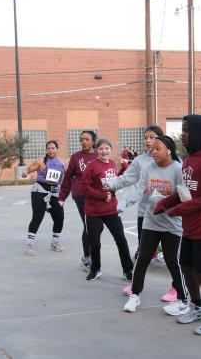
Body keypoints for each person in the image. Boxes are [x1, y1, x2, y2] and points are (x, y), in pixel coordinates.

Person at [154, 114, 201, 335]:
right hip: (191, 227)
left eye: (186, 130)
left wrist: (182, 209)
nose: (182, 134)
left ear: (198, 133)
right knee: (186, 266)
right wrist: (166, 203)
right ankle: (197, 308)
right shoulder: (188, 160)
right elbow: (185, 193)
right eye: (182, 130)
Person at [119, 135, 187, 313]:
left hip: (172, 223)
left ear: (169, 150)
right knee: (143, 258)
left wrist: (167, 204)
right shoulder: (148, 169)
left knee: (173, 260)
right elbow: (139, 190)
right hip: (151, 221)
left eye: (158, 148)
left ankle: (182, 298)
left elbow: (184, 197)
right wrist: (124, 203)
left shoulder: (178, 170)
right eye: (152, 149)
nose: (153, 151)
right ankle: (135, 295)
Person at [81, 137, 134, 282]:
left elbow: (116, 182)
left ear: (111, 150)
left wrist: (123, 169)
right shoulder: (92, 166)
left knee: (121, 240)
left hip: (111, 209)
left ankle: (127, 270)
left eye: (106, 148)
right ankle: (95, 269)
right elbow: (84, 186)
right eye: (101, 148)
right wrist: (101, 196)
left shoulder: (112, 164)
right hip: (94, 211)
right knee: (95, 243)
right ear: (97, 151)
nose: (104, 151)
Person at [59, 130, 98, 271]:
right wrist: (62, 197)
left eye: (87, 139)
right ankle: (87, 258)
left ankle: (92, 256)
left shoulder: (98, 155)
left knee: (95, 226)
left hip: (96, 195)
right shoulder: (76, 157)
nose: (84, 142)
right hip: (81, 195)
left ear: (93, 141)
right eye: (82, 139)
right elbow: (68, 177)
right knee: (88, 225)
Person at [21, 140, 65, 255]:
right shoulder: (41, 161)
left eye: (53, 148)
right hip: (40, 191)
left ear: (57, 149)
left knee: (59, 217)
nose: (51, 150)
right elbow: (28, 169)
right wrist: (25, 172)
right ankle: (29, 245)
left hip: (55, 192)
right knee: (37, 217)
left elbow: (67, 177)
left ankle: (54, 243)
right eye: (49, 148)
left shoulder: (62, 163)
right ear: (46, 150)